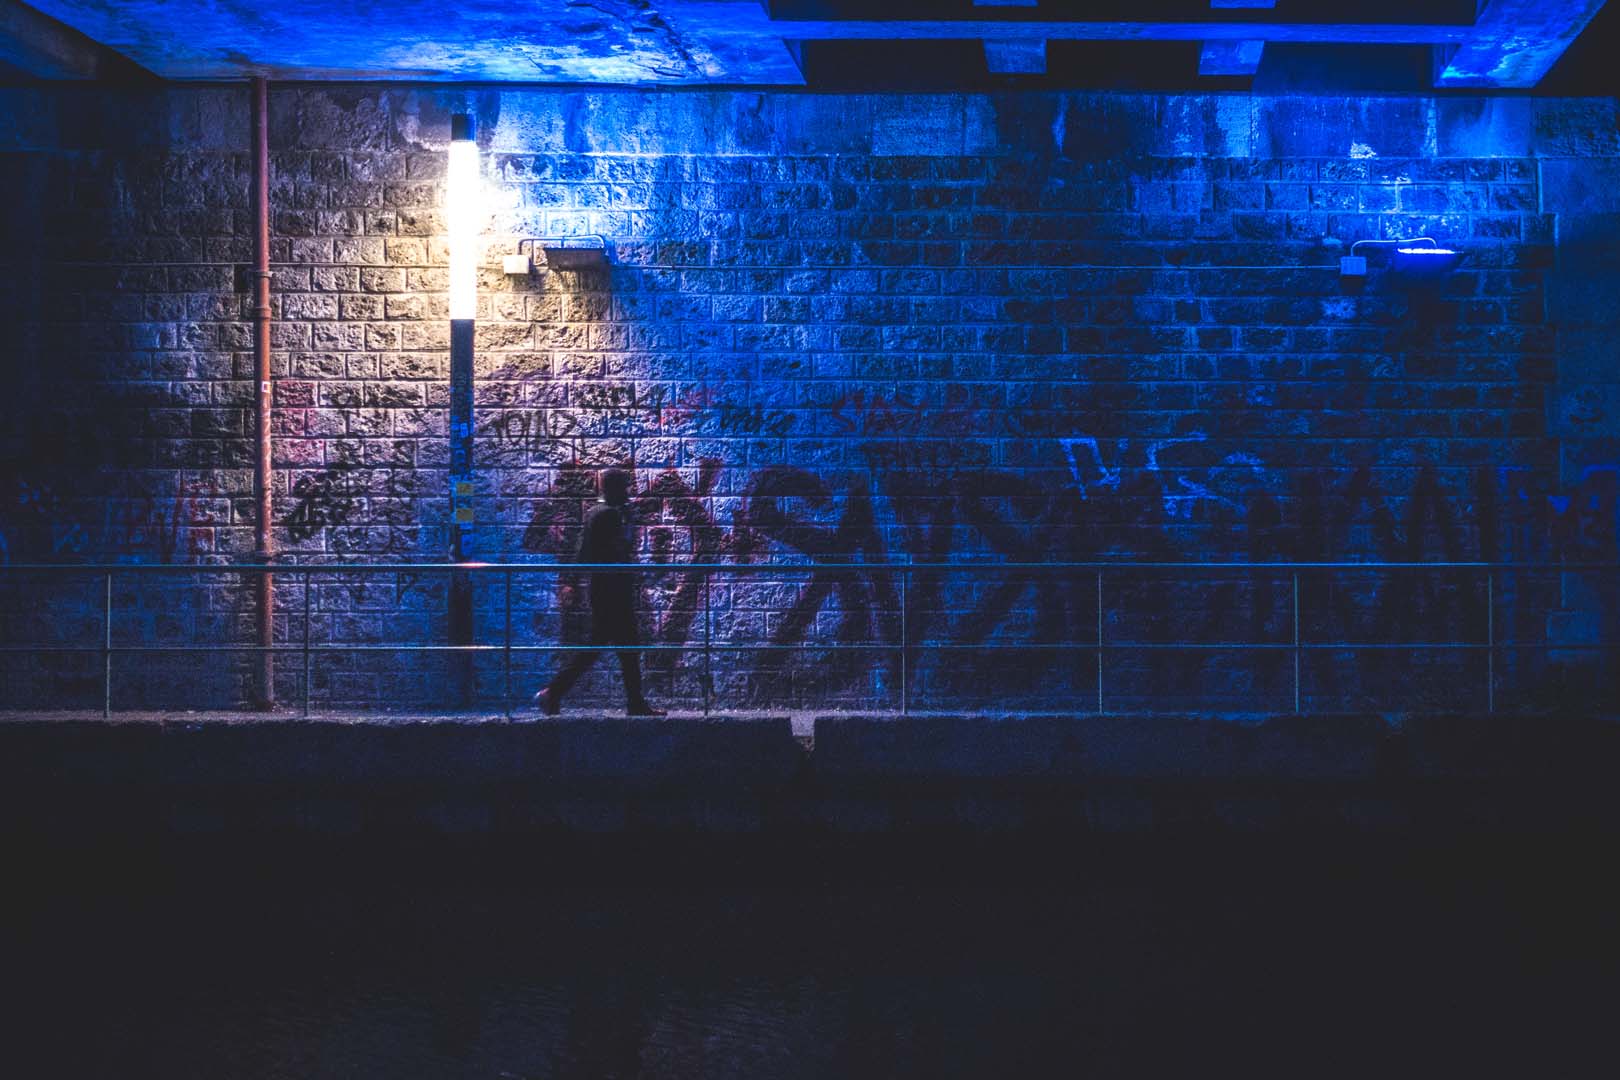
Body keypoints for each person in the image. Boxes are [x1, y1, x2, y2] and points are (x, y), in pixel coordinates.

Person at [534, 468, 665, 716]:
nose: (628, 492)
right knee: (619, 646)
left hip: (602, 589)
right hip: (614, 590)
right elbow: (622, 548)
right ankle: (553, 692)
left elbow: (583, 551)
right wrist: (629, 525)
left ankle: (556, 693)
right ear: (613, 488)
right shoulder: (610, 515)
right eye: (624, 487)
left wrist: (574, 581)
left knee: (614, 646)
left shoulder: (594, 512)